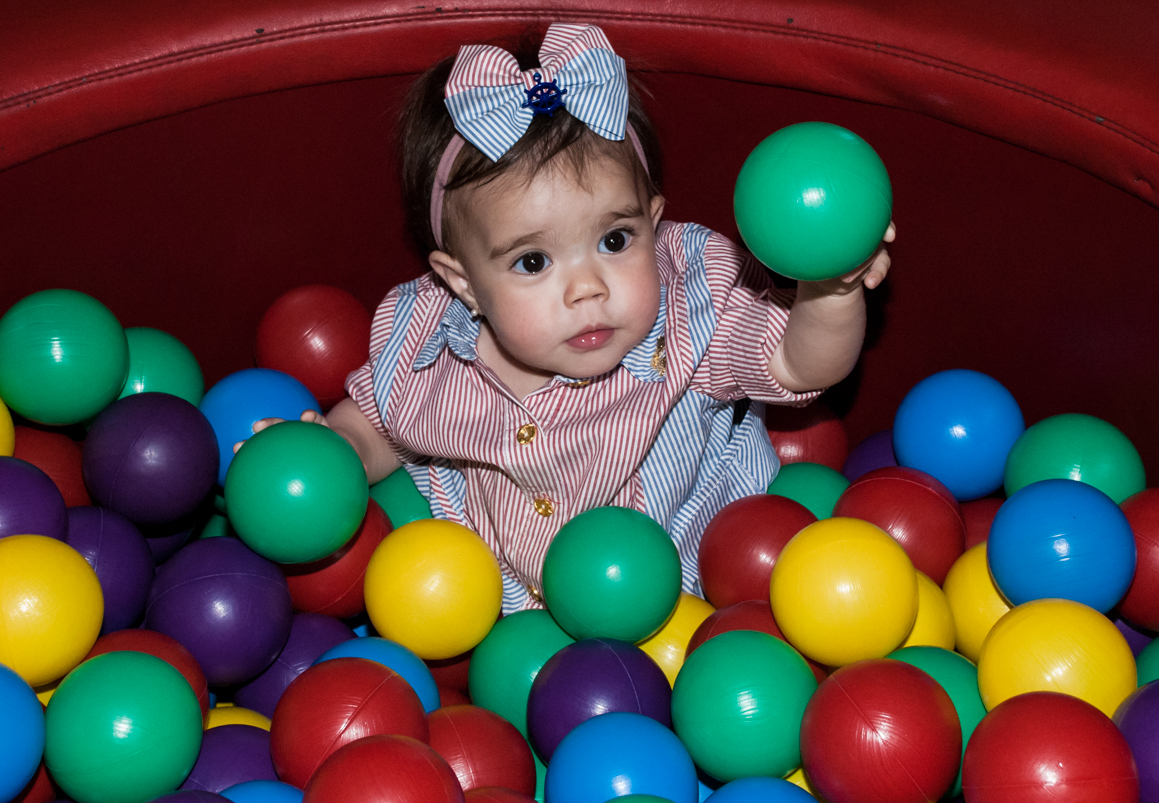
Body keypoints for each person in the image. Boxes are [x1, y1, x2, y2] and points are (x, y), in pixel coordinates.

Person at [254, 22, 894, 613]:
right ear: (463, 284)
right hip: (492, 603)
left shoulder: (691, 317)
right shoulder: (433, 352)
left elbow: (798, 363)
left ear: (655, 221)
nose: (587, 289)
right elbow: (379, 424)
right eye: (532, 262)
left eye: (616, 241)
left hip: (698, 588)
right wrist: (328, 454)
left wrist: (831, 293)